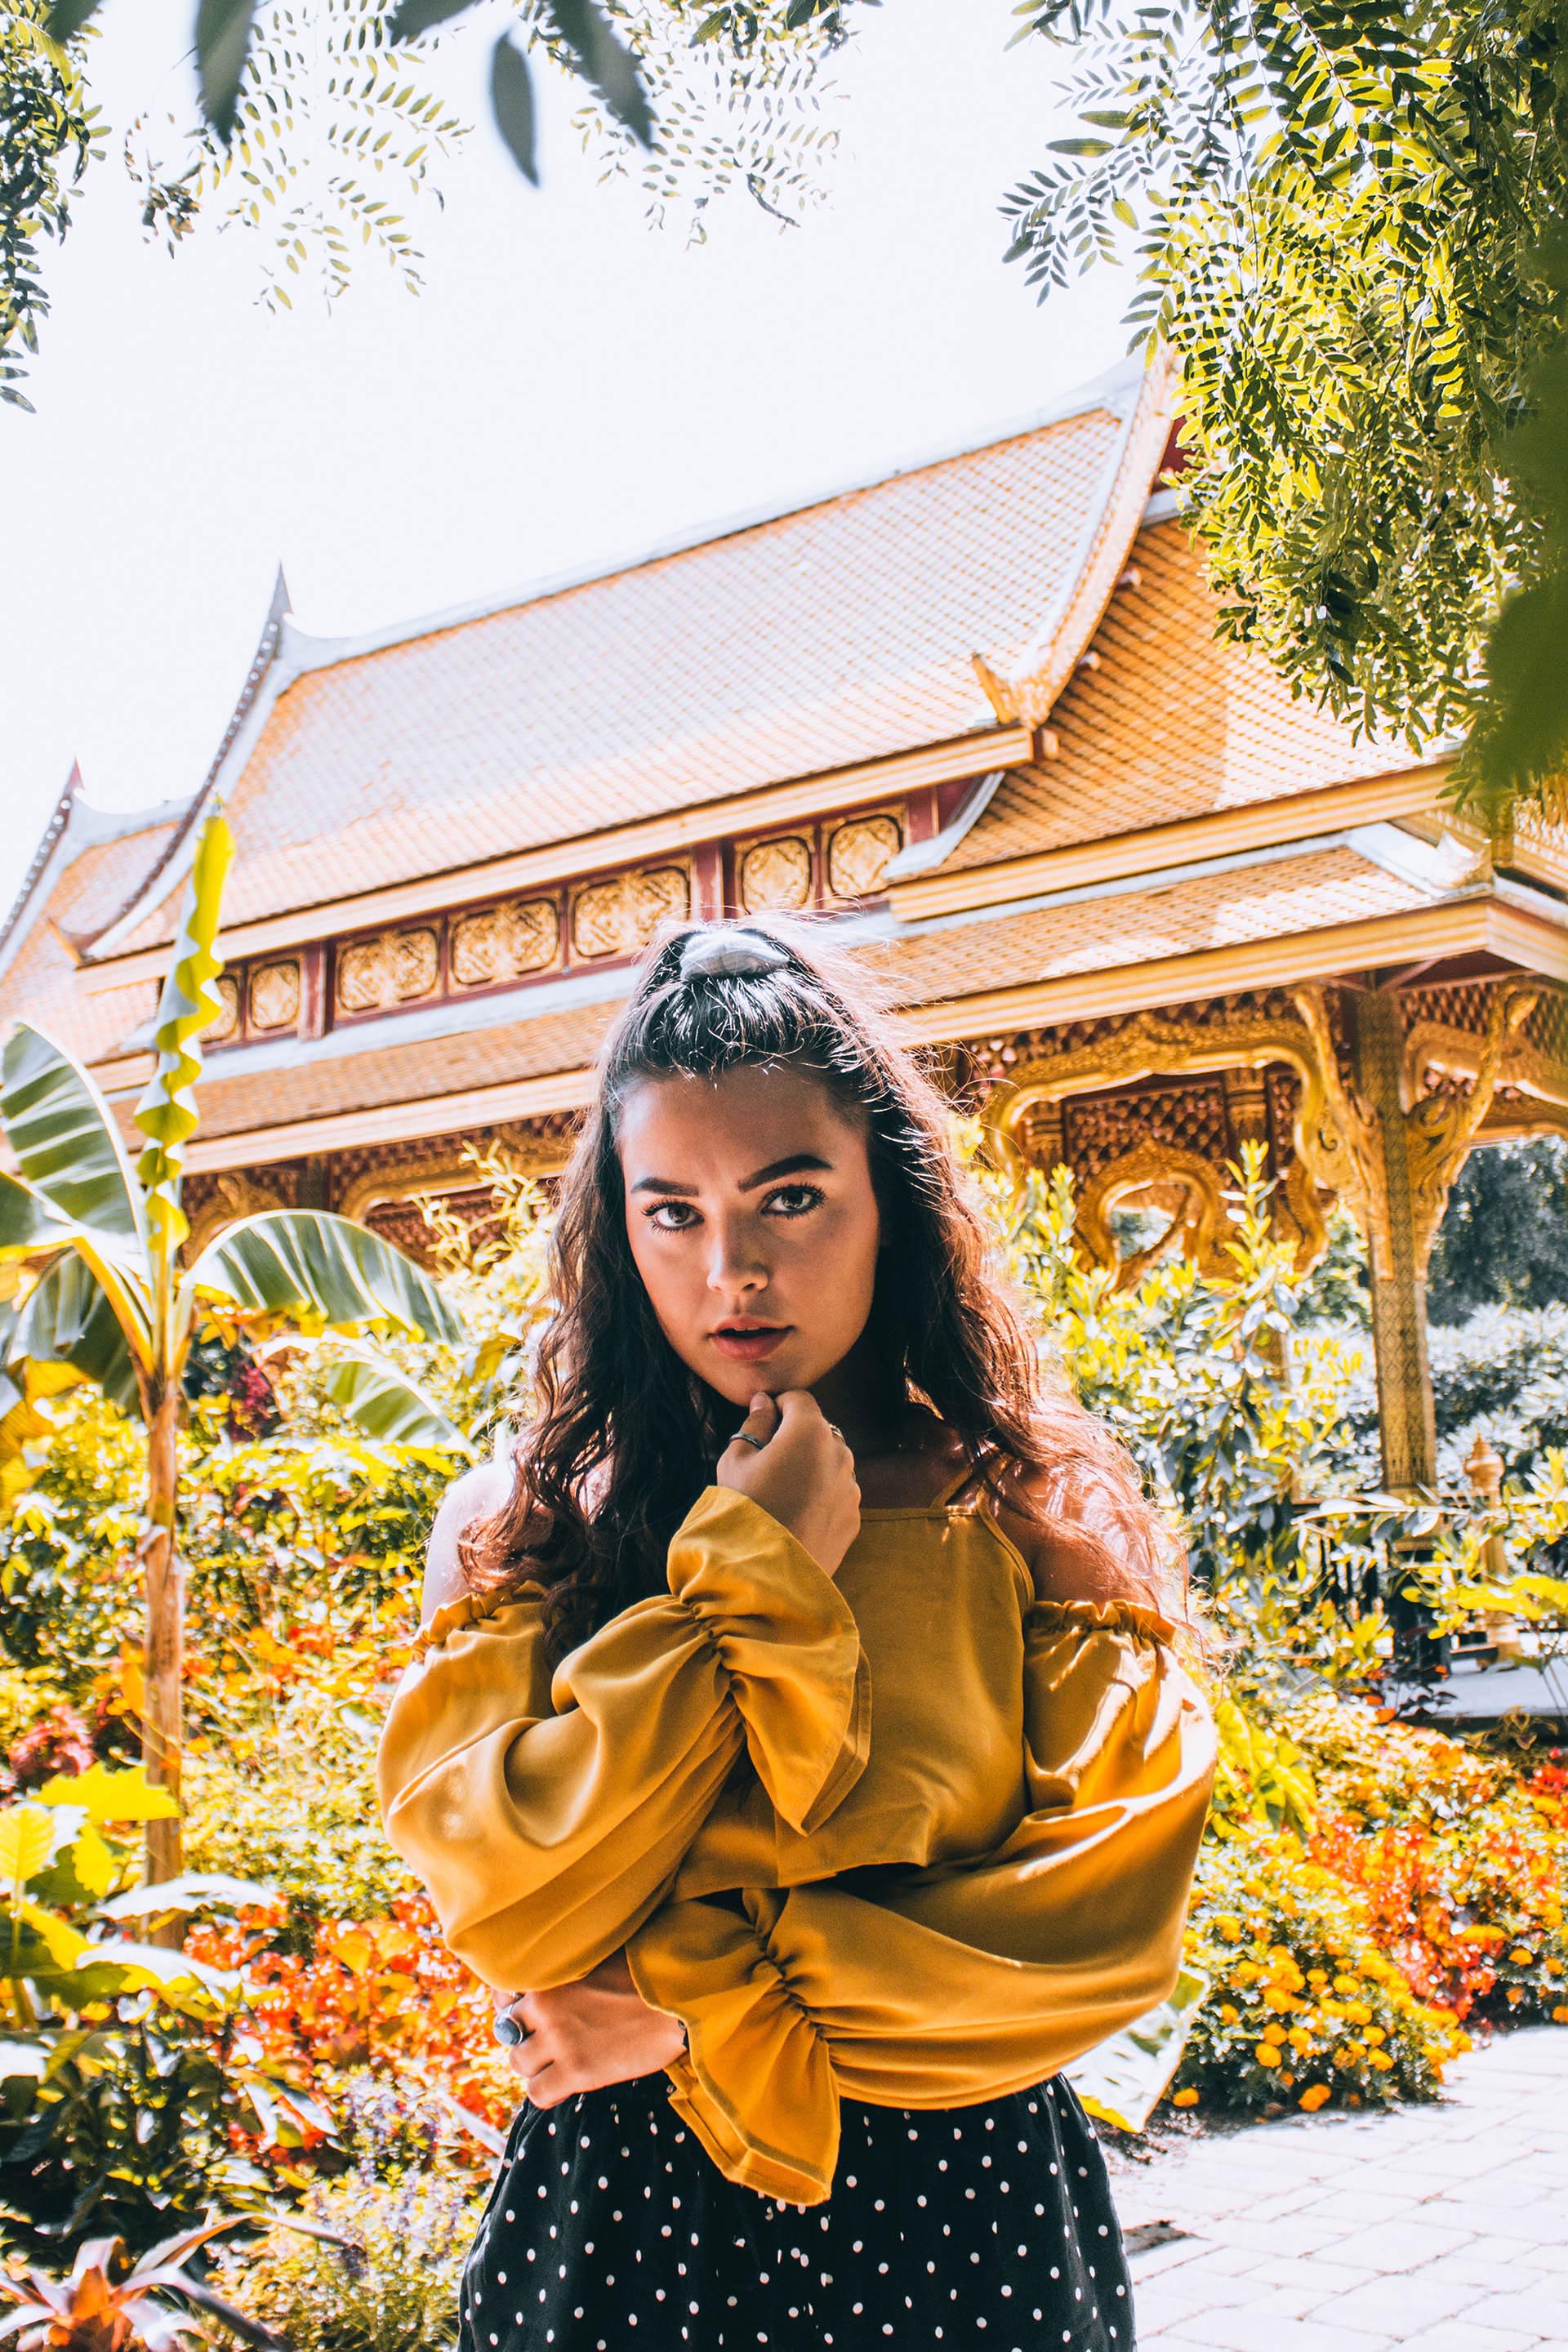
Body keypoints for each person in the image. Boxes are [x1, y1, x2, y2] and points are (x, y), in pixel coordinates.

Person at [376, 918, 1216, 2352]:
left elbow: (1099, 1930)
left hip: (959, 2204)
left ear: (887, 1194)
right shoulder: (528, 1530)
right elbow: (508, 1897)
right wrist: (752, 1571)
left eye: (791, 1197)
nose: (734, 1272)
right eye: (673, 1212)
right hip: (628, 2217)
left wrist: (695, 2011)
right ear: (618, 1229)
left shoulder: (1030, 1515)